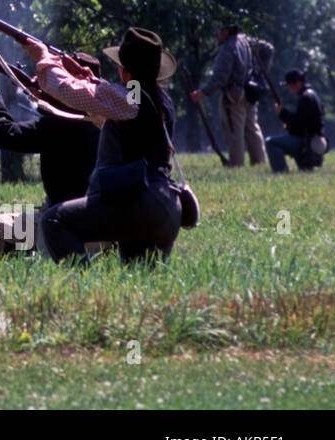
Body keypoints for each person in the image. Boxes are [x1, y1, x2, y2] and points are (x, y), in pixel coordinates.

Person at [33, 28, 183, 264]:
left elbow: (66, 91)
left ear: (124, 73)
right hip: (165, 208)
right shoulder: (159, 98)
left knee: (53, 220)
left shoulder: (133, 98)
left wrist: (45, 59)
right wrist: (88, 79)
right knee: (139, 285)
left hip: (140, 202)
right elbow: (113, 99)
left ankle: (79, 287)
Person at [0, 56, 102, 257]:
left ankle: (27, 254)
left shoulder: (62, 123)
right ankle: (27, 253)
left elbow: (5, 135)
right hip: (107, 226)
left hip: (66, 224)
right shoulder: (109, 118)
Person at [191, 24, 272, 167]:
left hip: (234, 95)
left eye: (218, 31)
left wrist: (202, 92)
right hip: (250, 92)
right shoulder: (246, 40)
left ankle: (236, 165)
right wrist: (259, 74)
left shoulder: (227, 47)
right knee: (252, 128)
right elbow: (268, 48)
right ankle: (260, 163)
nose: (216, 35)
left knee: (234, 131)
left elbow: (220, 78)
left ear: (227, 31)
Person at [266, 69, 327, 172]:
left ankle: (281, 172)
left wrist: (282, 113)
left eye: (290, 85)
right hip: (315, 141)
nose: (289, 89)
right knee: (306, 171)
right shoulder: (311, 95)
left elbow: (299, 125)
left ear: (298, 83)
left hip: (308, 142)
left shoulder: (305, 97)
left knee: (271, 142)